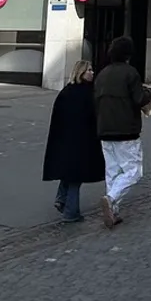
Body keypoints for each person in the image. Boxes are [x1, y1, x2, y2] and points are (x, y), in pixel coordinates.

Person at [94, 35, 151, 229]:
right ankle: (111, 199)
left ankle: (114, 210)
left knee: (112, 171)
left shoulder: (102, 74)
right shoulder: (130, 73)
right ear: (128, 54)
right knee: (133, 171)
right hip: (126, 129)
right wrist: (149, 94)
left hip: (105, 128)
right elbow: (138, 99)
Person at [42, 59, 105, 223]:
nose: (92, 73)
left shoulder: (66, 92)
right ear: (81, 73)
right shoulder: (87, 94)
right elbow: (93, 118)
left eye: (92, 70)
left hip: (65, 139)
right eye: (89, 70)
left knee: (70, 172)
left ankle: (61, 198)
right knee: (76, 177)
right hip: (81, 140)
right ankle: (71, 212)